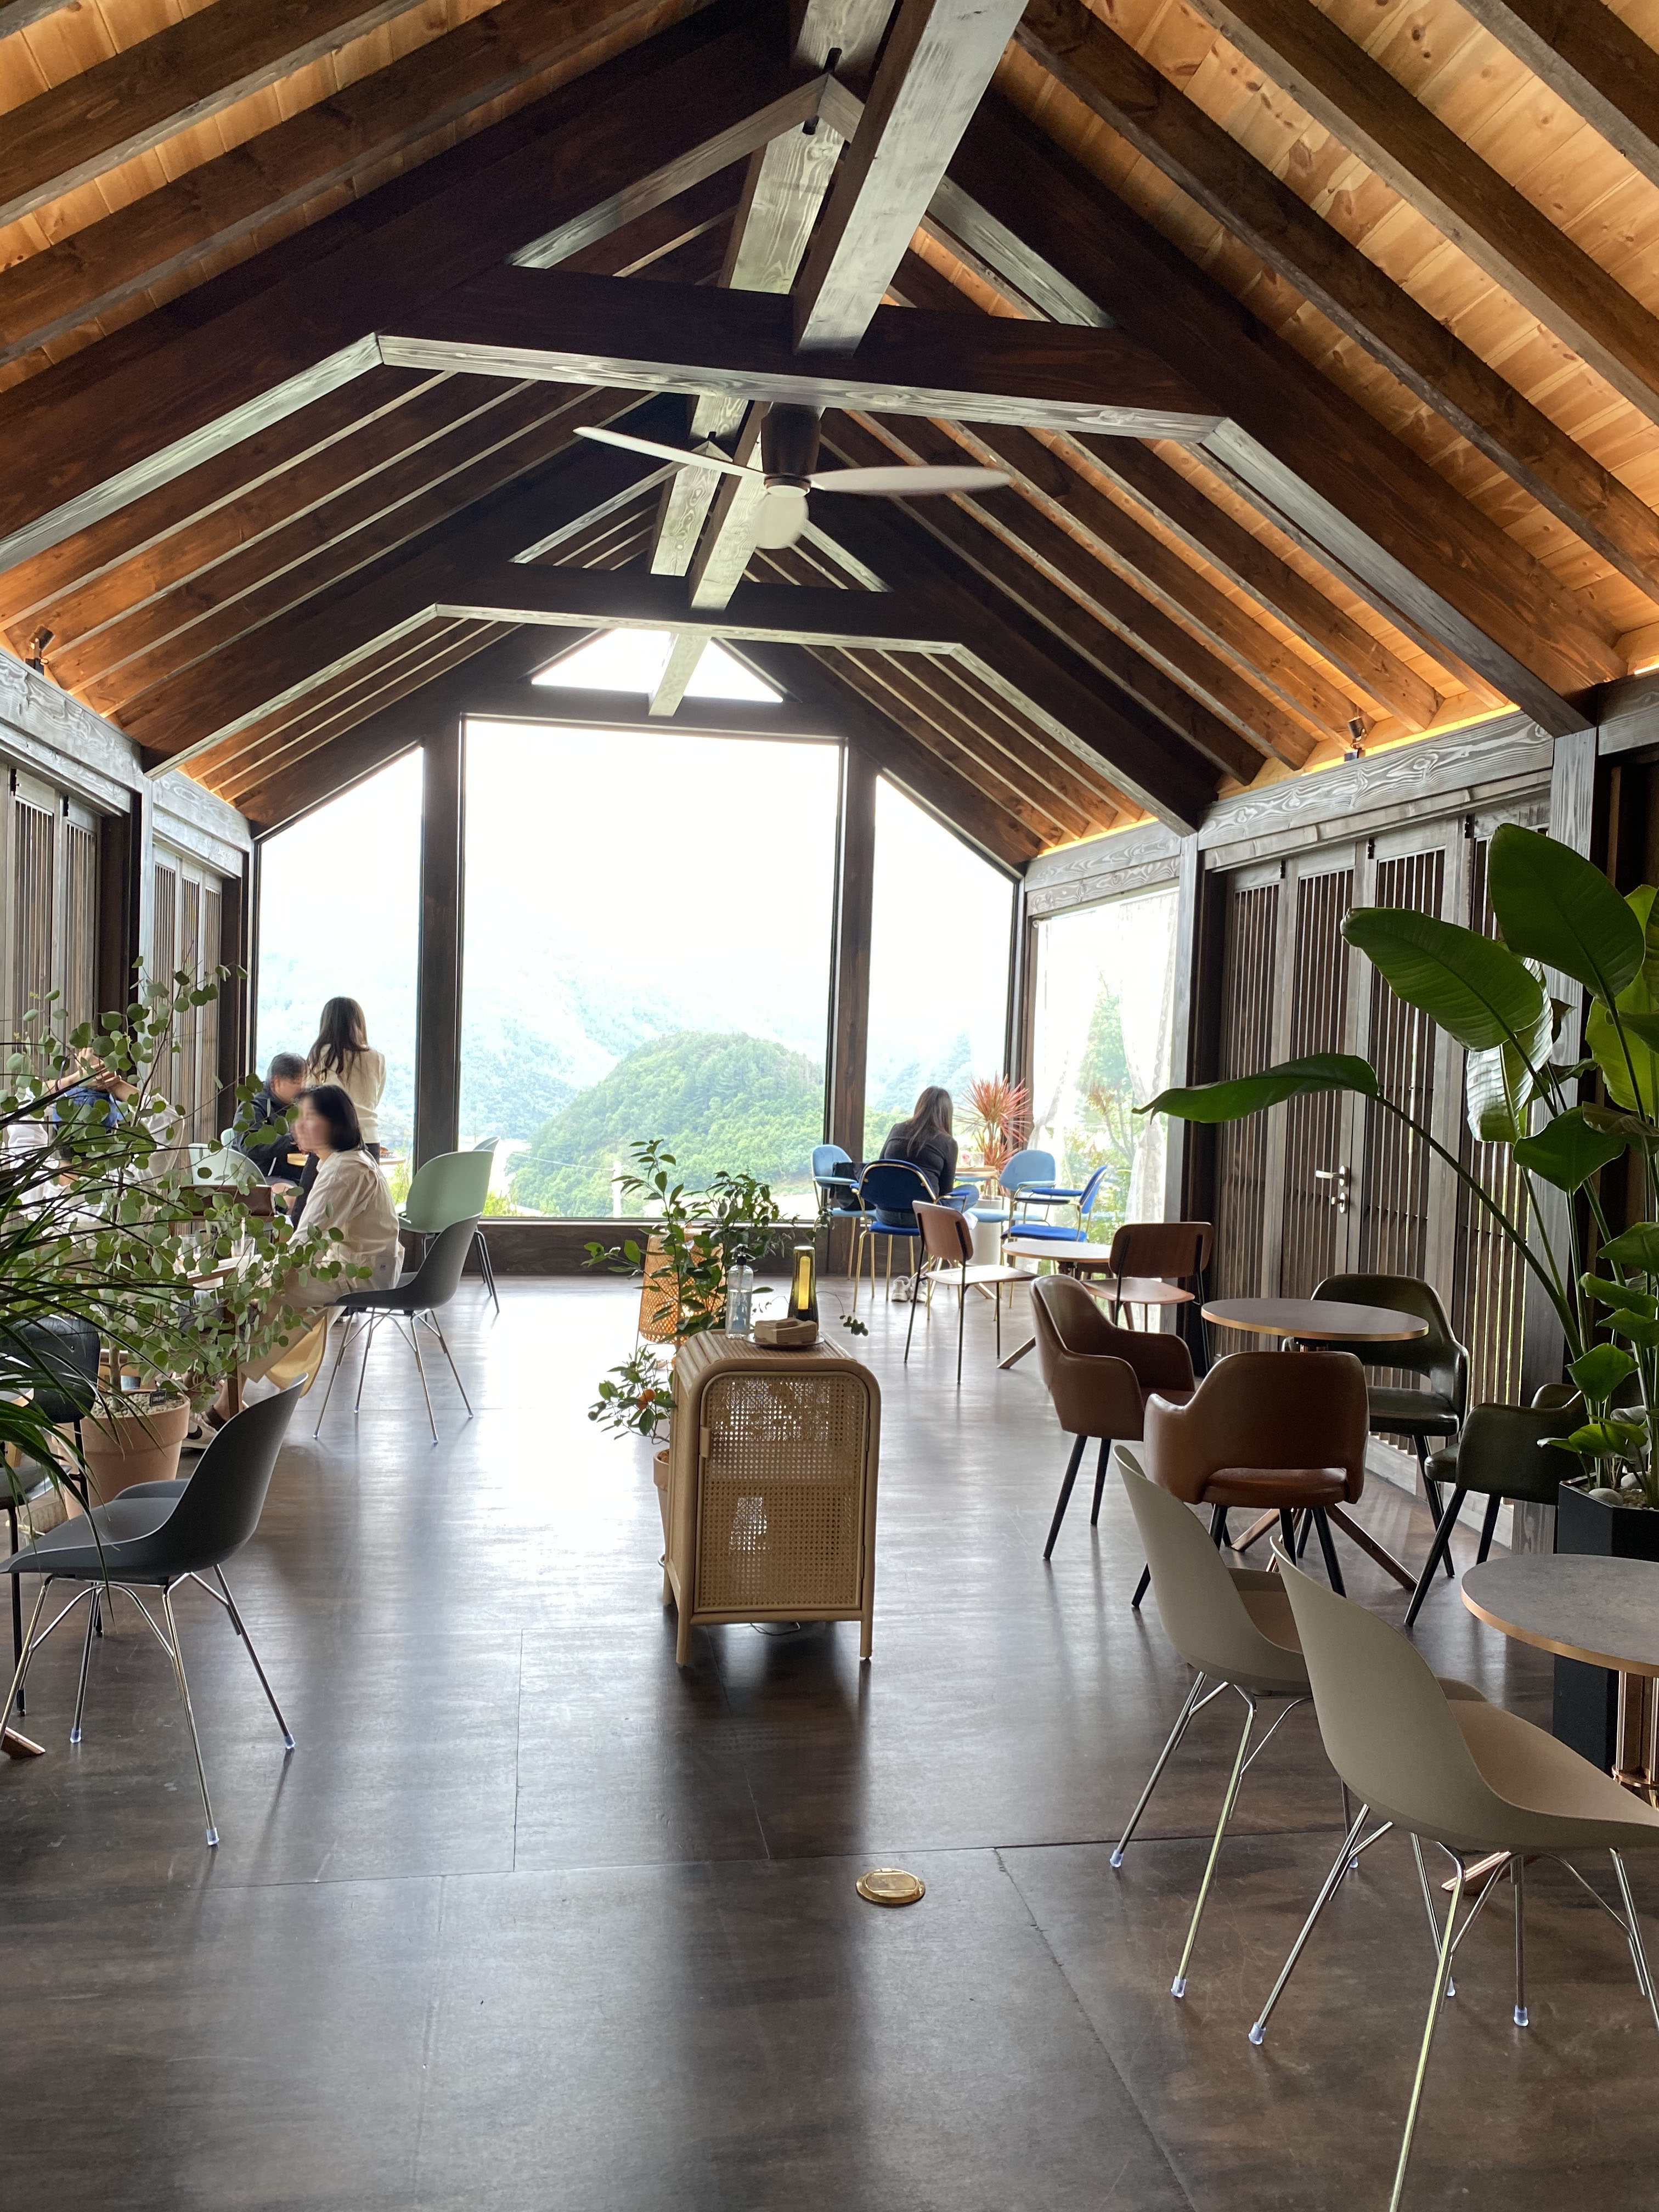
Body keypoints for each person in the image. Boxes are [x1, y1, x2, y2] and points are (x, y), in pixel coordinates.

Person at [207, 1084, 400, 1424]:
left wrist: (265, 1282)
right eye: (299, 1116)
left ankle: (218, 1400)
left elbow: (307, 1241)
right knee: (245, 1276)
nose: (298, 1124)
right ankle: (217, 1393)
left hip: (361, 1272)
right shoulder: (342, 1163)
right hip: (351, 1263)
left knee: (262, 1292)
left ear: (336, 1123)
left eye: (310, 1117)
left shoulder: (344, 1170)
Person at [304, 997, 386, 1160]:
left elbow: (309, 1100)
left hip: (332, 1138)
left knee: (316, 1179)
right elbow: (375, 1099)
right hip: (369, 1139)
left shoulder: (320, 1054)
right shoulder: (377, 1058)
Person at [879, 1086, 960, 1204]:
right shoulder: (948, 1143)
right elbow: (945, 1193)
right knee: (972, 1192)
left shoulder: (896, 1129)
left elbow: (880, 1166)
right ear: (947, 1114)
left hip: (886, 1209)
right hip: (924, 1213)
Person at [235, 1052, 306, 1183]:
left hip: (291, 1172)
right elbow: (248, 1144)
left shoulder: (294, 1105)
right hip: (259, 1177)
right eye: (296, 1082)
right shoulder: (253, 1105)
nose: (302, 1088)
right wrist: (294, 1140)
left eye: (304, 1081)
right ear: (276, 1082)